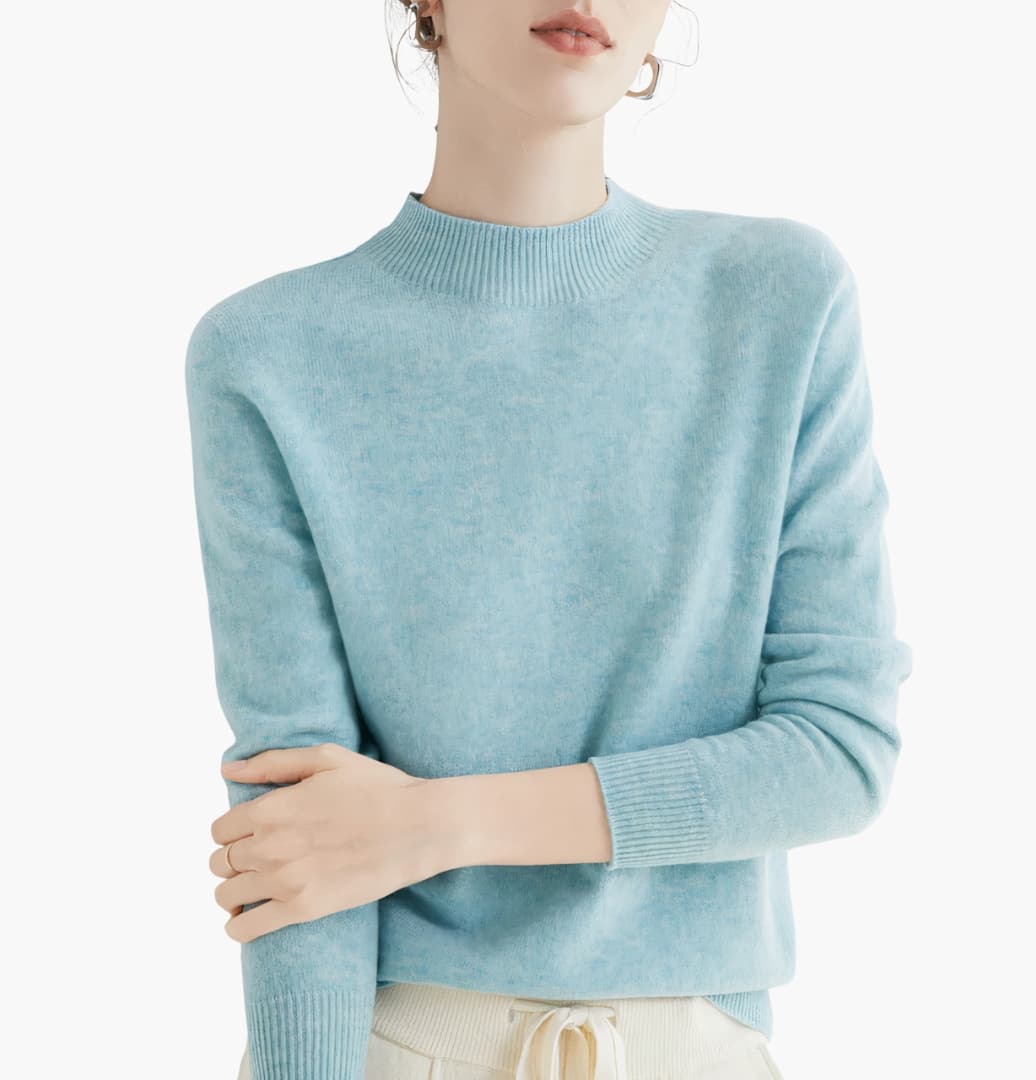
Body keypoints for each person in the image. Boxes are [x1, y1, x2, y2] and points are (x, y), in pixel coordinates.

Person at [184, 2, 914, 1078]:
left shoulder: (778, 300)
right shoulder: (267, 353)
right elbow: (300, 841)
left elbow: (838, 753)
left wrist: (440, 825)